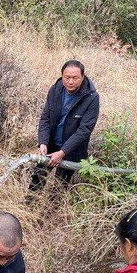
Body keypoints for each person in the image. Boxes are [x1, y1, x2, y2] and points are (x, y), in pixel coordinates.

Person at [30, 60, 100, 191]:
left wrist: (62, 152)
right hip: (51, 145)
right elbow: (45, 118)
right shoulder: (55, 90)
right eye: (67, 77)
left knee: (59, 186)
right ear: (62, 76)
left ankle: (52, 210)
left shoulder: (91, 98)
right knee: (37, 179)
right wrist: (43, 142)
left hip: (72, 150)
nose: (71, 82)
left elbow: (84, 130)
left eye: (75, 78)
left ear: (83, 77)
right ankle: (28, 206)